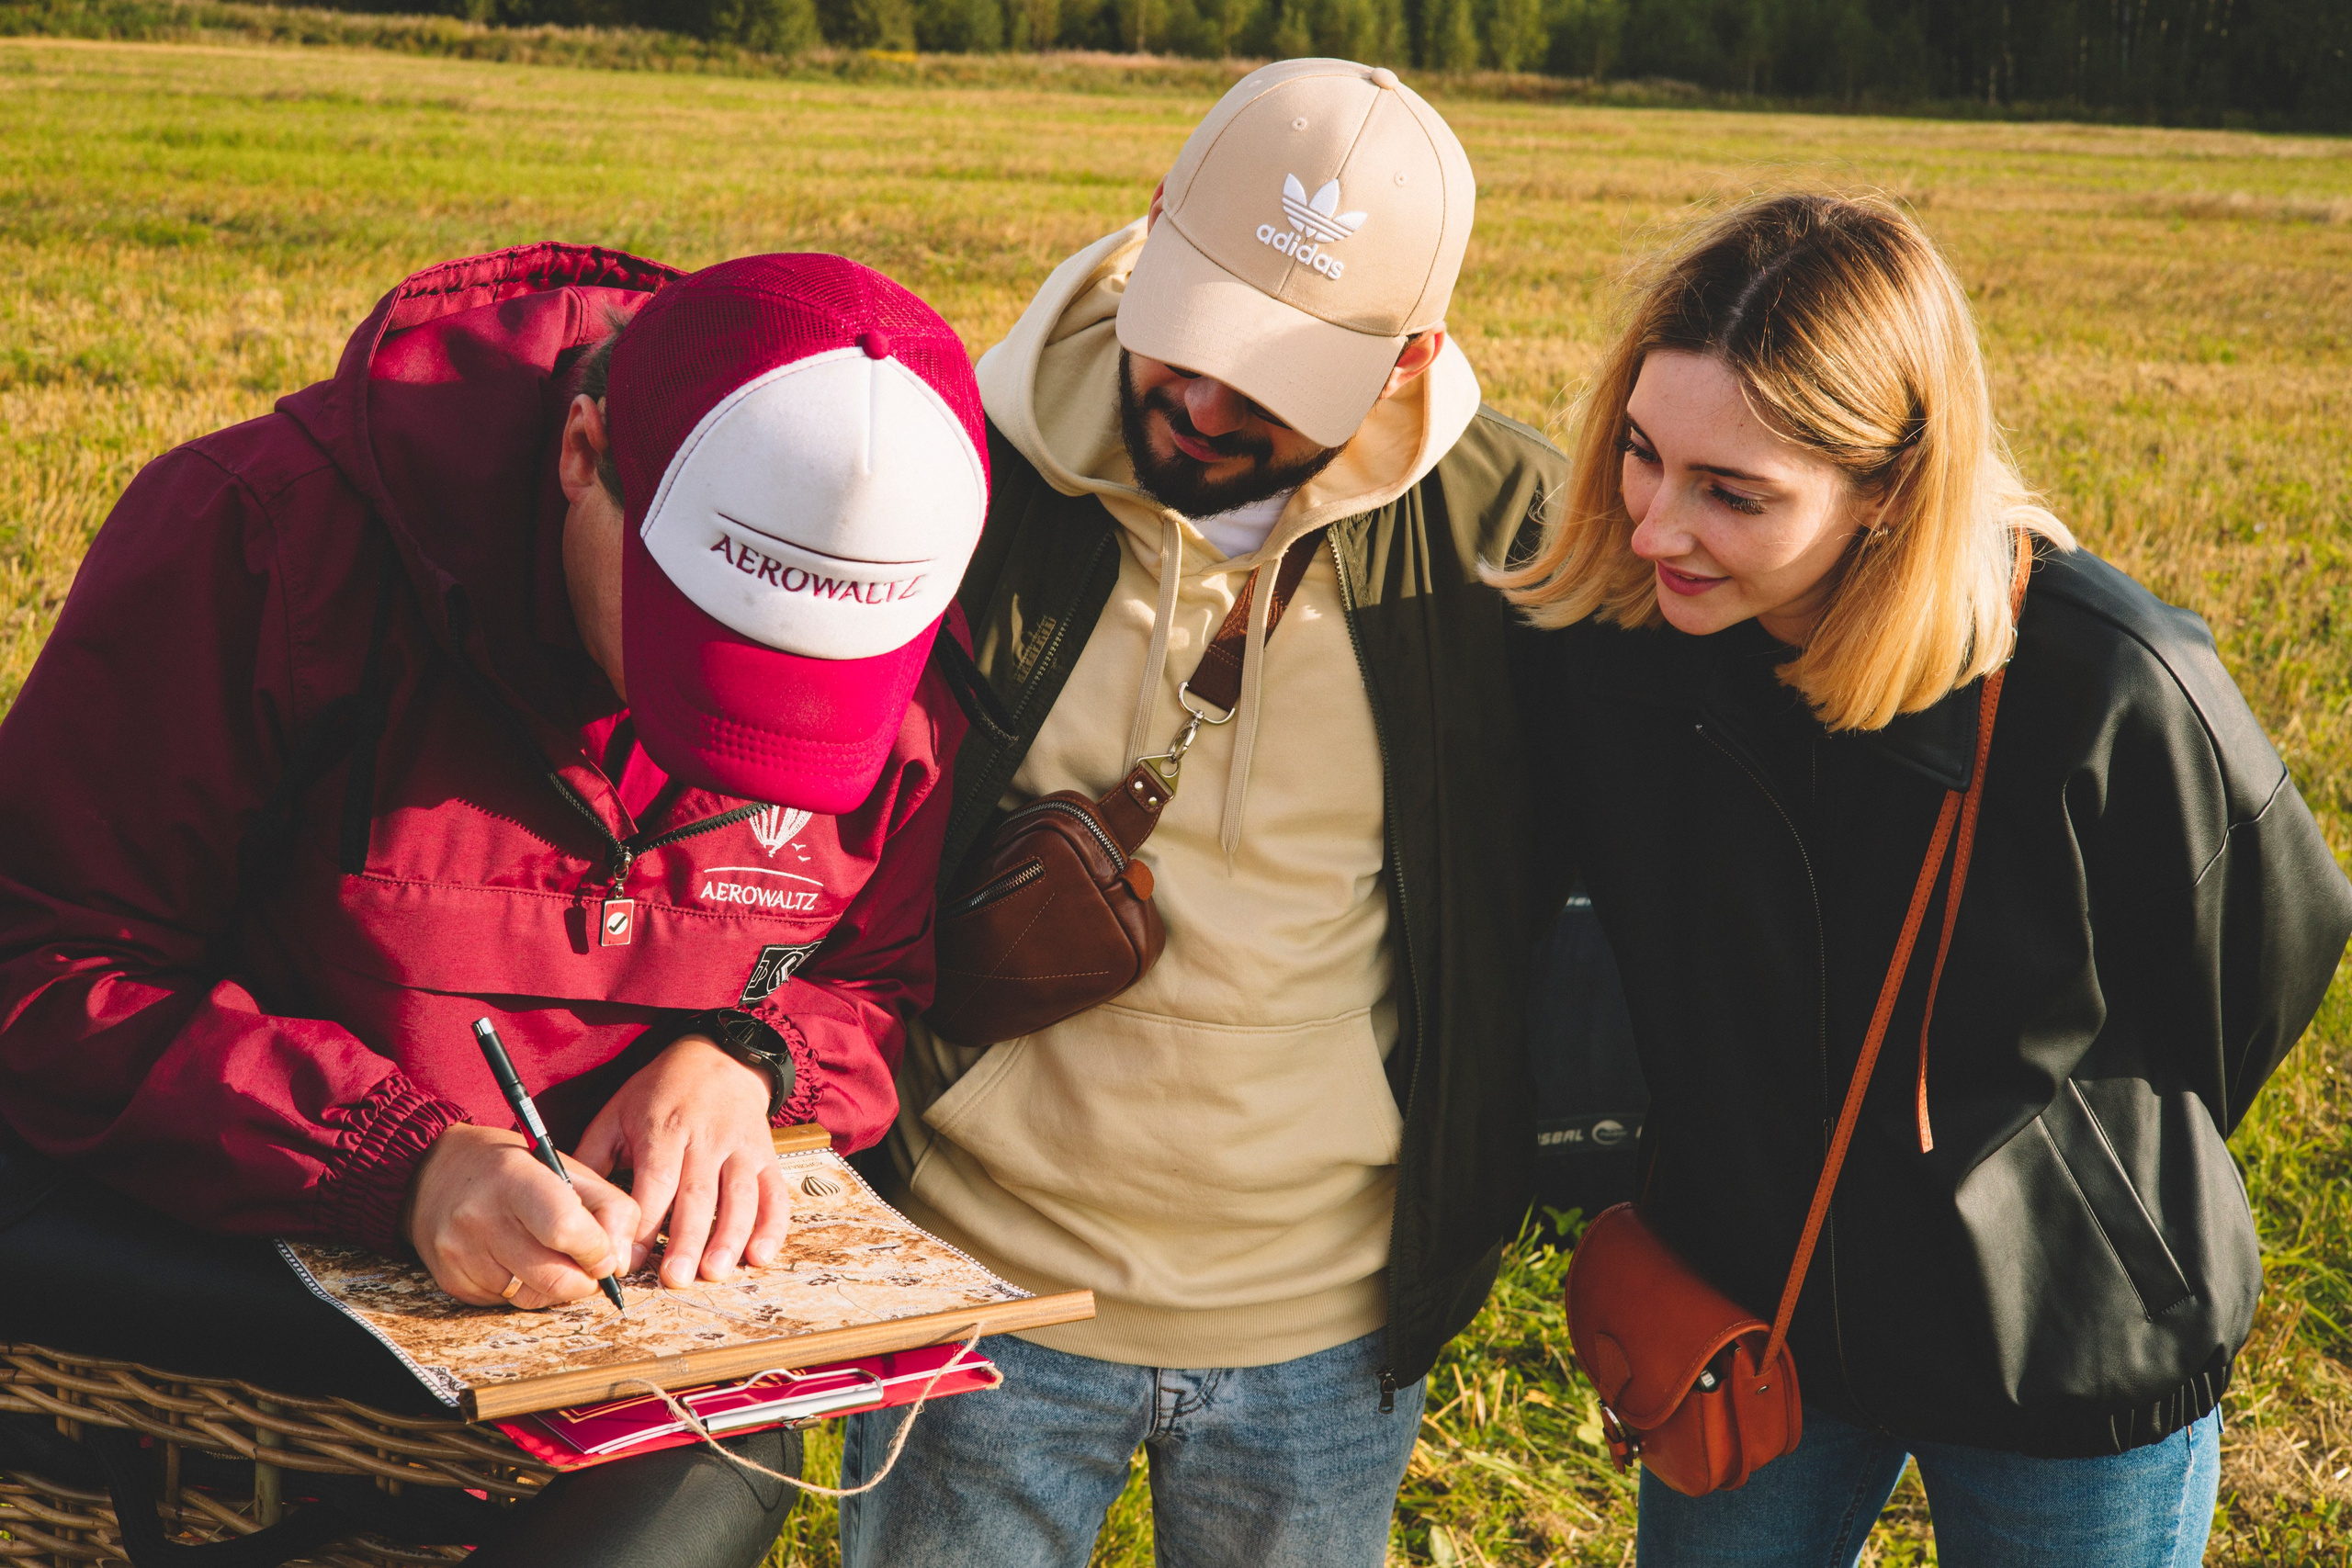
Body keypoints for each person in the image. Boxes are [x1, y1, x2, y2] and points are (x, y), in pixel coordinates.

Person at [0, 243, 989, 1564]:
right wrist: (395, 1163)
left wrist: (747, 1059)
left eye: (811, 685)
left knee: (716, 1475)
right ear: (583, 453)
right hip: (229, 1264)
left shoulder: (918, 678)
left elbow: (870, 978)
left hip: (622, 1337)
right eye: (701, 634)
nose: (732, 728)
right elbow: (48, 961)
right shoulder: (265, 539)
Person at [1498, 192, 2352, 1567]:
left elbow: (2257, 966)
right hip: (1749, 1321)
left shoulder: (2105, 680)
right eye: (1642, 455)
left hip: (2058, 1349)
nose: (1655, 528)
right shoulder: (1615, 645)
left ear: (1891, 486)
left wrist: (2074, 1185)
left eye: (1734, 493)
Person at [837, 57, 1566, 1566]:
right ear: (1155, 220)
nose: (1207, 401)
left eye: (1277, 378)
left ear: (1411, 358)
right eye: (1195, 331)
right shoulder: (960, 475)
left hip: (1326, 1337)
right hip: (973, 1290)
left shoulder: (1510, 544)